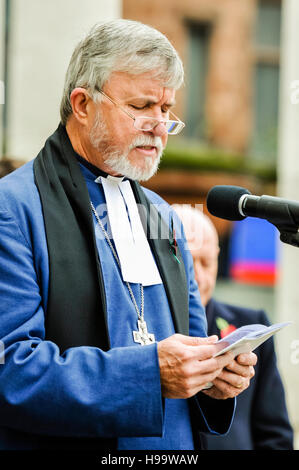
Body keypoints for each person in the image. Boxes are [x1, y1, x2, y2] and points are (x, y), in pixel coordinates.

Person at [0, 20, 257, 451]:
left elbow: (194, 344)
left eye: (167, 110)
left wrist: (213, 377)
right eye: (142, 106)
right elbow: (12, 370)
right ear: (82, 104)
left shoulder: (163, 216)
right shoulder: (14, 209)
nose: (160, 127)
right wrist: (148, 374)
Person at [173, 204, 294, 449]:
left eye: (206, 263)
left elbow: (275, 434)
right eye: (185, 262)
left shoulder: (252, 324)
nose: (197, 276)